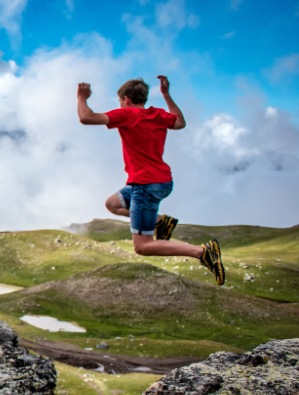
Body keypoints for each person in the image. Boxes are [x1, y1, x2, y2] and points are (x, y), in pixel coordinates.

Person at [76, 75, 225, 285]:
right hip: (161, 182)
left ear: (126, 100)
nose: (119, 105)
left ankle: (203, 252)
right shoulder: (157, 114)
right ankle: (160, 221)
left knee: (143, 246)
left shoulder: (128, 114)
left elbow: (86, 117)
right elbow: (180, 122)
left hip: (146, 186)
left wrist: (82, 97)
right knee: (113, 204)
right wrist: (166, 95)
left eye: (119, 101)